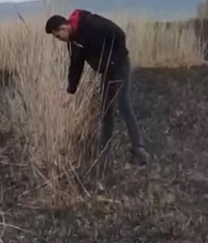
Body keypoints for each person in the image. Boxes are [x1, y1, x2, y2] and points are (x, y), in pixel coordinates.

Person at [44, 9, 151, 165]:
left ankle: (139, 150)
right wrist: (70, 91)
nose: (59, 39)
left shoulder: (90, 23)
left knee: (123, 104)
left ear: (64, 27)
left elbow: (119, 34)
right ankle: (104, 154)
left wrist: (112, 60)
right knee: (105, 109)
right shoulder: (74, 41)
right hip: (107, 71)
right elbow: (76, 66)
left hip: (120, 66)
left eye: (57, 36)